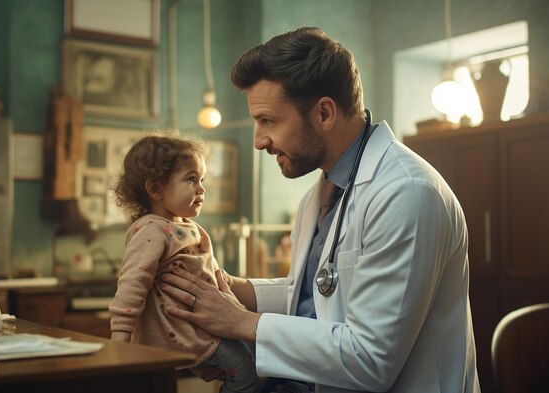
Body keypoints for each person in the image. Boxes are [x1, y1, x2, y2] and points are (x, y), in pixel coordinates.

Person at [160, 27, 481, 393]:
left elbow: (371, 360)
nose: (258, 140)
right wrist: (232, 288)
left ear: (325, 113)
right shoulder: (323, 192)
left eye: (268, 121)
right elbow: (319, 296)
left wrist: (241, 322)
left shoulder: (406, 193)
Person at [108, 133, 258, 393]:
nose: (201, 188)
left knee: (258, 361)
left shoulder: (190, 228)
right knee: (247, 374)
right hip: (184, 334)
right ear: (155, 188)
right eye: (191, 179)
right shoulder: (152, 231)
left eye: (202, 180)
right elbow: (132, 285)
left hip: (206, 328)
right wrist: (120, 341)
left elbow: (213, 276)